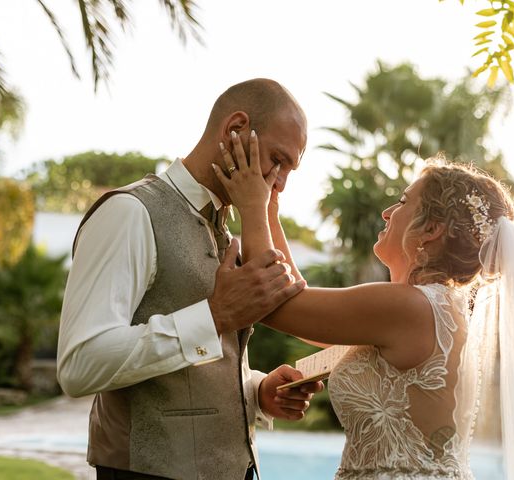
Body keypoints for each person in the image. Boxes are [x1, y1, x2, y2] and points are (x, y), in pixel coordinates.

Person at [213, 132, 514, 479]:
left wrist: (251, 206)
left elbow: (279, 304)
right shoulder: (436, 308)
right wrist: (271, 212)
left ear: (431, 230)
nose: (387, 212)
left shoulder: (409, 307)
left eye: (403, 202)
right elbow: (297, 296)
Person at [56, 78, 323, 480]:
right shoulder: (129, 212)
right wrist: (215, 315)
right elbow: (80, 364)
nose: (280, 184)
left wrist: (258, 391)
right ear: (235, 130)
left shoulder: (225, 229)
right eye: (277, 160)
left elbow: (194, 369)